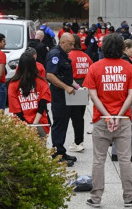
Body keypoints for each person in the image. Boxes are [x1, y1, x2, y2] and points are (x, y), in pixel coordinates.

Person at [83, 33, 132, 208]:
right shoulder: (128, 67)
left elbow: (93, 95)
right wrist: (118, 114)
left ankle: (96, 198)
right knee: (125, 159)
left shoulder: (95, 67)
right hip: (123, 119)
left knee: (99, 159)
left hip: (101, 119)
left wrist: (107, 115)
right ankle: (129, 197)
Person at [46, 33, 79, 167]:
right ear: (63, 42)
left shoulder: (63, 54)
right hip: (59, 95)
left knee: (64, 123)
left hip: (65, 94)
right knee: (59, 123)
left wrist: (76, 86)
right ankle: (56, 155)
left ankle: (61, 151)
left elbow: (65, 76)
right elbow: (50, 75)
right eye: (70, 44)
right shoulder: (55, 54)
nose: (72, 47)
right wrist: (66, 87)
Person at [111, 39, 132, 162]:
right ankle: (129, 153)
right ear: (125, 48)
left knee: (119, 124)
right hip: (128, 95)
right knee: (129, 124)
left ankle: (115, 152)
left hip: (121, 95)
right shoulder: (126, 62)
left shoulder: (121, 60)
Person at [8, 53, 51, 138]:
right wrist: (34, 124)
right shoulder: (42, 82)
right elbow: (42, 106)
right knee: (41, 149)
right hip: (40, 123)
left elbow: (16, 110)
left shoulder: (13, 84)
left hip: (20, 125)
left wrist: (25, 125)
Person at [68, 34, 93, 152]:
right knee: (79, 116)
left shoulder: (68, 56)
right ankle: (79, 141)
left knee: (73, 117)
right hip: (84, 86)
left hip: (72, 86)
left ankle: (78, 142)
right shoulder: (86, 57)